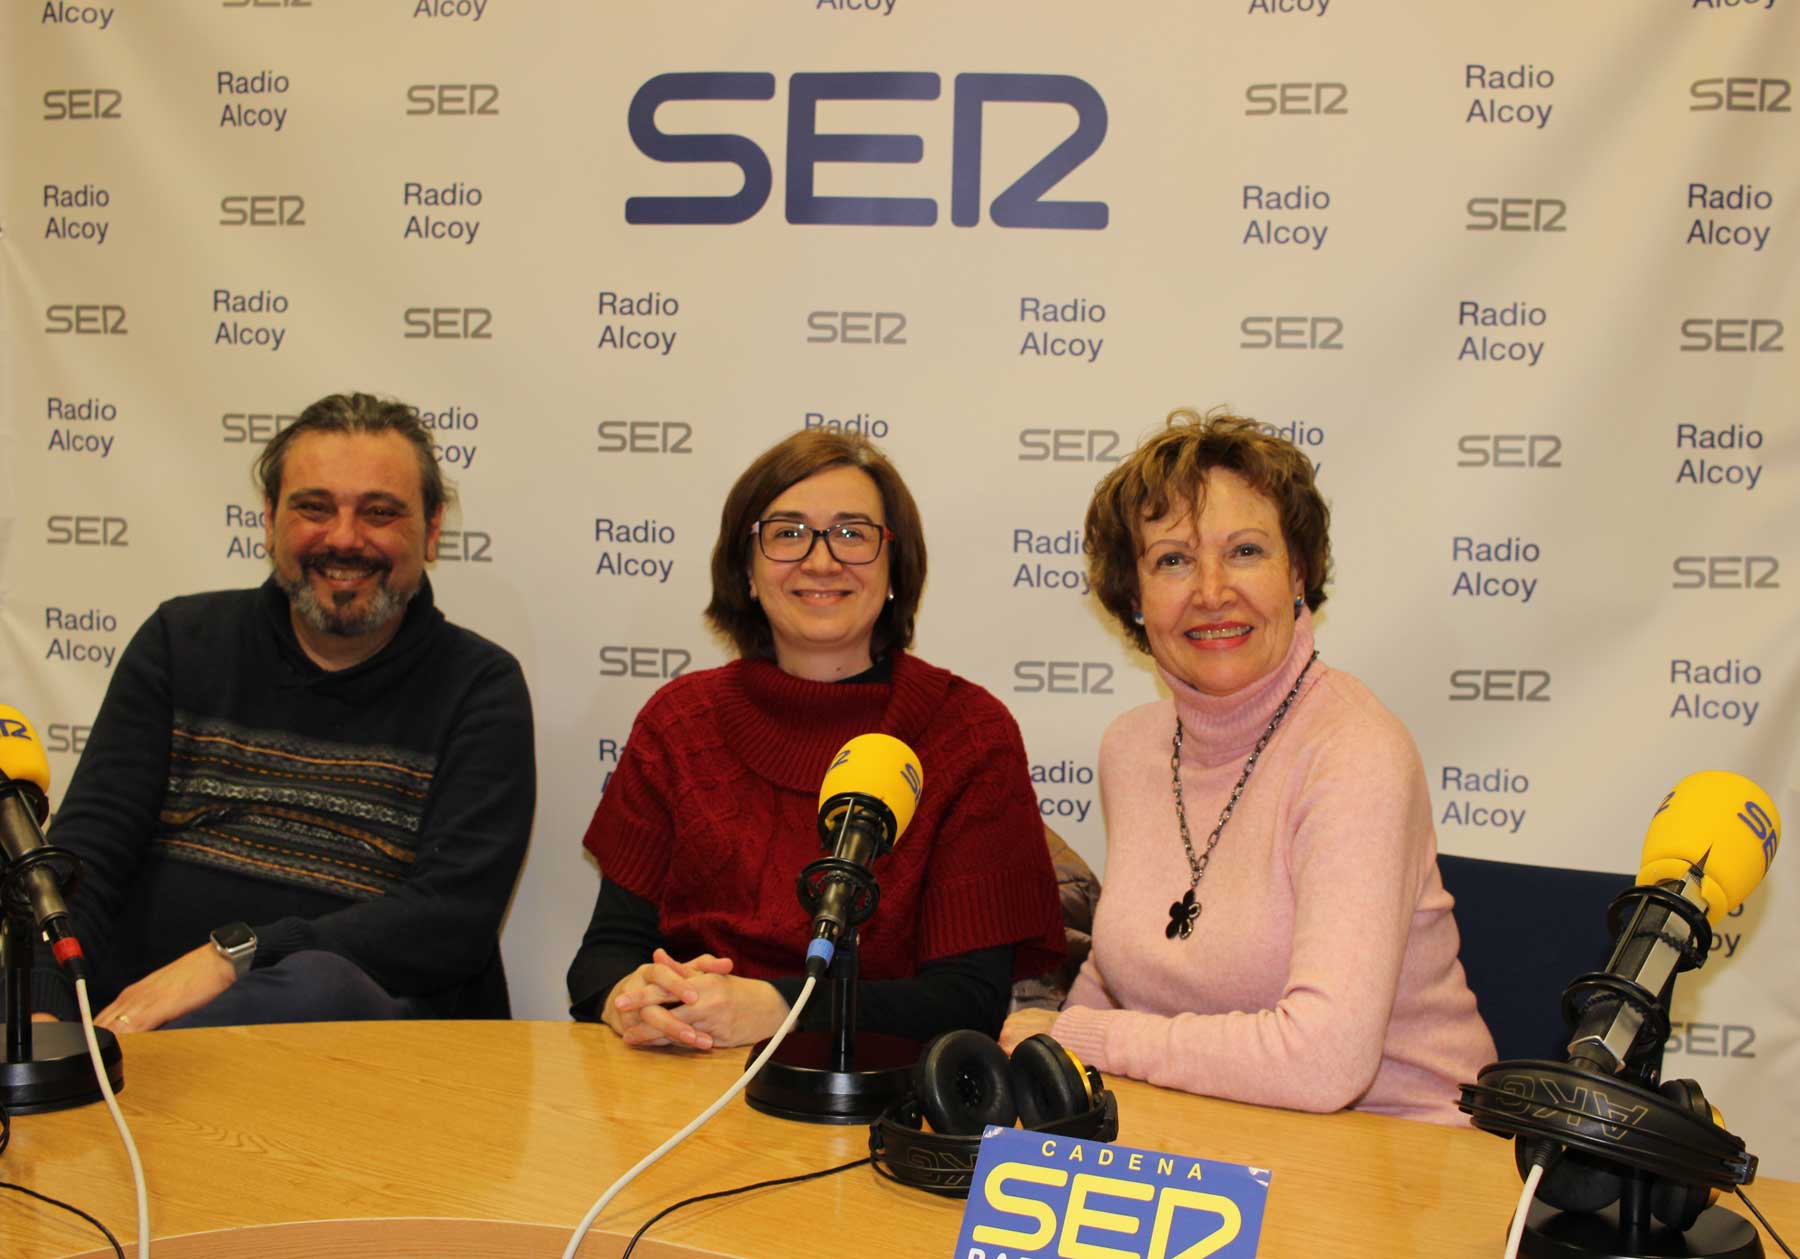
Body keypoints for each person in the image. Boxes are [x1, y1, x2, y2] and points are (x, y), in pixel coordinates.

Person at [999, 409, 1494, 1124]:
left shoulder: (1356, 751)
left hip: (1404, 1153)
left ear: (1298, 572)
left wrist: (1081, 1037)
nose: (1210, 590)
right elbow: (1116, 976)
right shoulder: (1130, 747)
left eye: (1245, 551)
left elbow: (1326, 1061)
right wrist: (1050, 1073)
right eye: (1172, 559)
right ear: (1133, 601)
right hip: (1216, 1134)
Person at [31, 392, 535, 1032]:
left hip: (353, 1053)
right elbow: (85, 860)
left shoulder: (480, 686)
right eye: (314, 509)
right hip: (129, 1022)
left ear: (432, 530)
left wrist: (235, 957)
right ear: (269, 521)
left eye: (380, 512)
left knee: (316, 986)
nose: (345, 538)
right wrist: (40, 1014)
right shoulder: (179, 643)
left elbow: (450, 919)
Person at [568, 430, 1064, 1051]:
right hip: (680, 1081)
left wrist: (779, 1008)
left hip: (874, 1100)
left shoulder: (969, 732)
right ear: (746, 568)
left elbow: (969, 1000)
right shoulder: (677, 723)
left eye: (852, 534)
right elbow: (602, 958)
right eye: (788, 533)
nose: (821, 561)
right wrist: (632, 1000)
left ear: (894, 568)